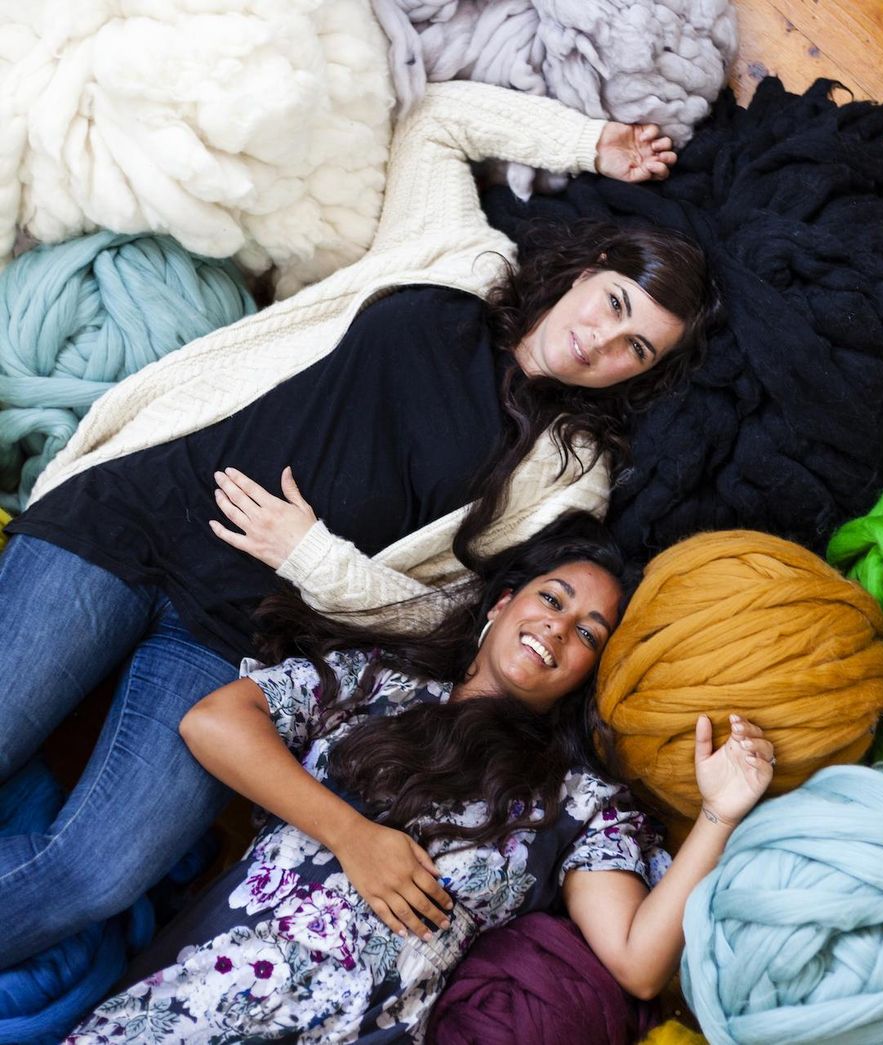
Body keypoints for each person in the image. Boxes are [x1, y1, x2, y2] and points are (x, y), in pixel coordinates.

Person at [0, 81, 718, 967]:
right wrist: (595, 141)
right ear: (586, 272)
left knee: (103, 871)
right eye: (614, 304)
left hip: (237, 633)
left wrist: (314, 558)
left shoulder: (568, 476)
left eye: (635, 349)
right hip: (140, 509)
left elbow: (453, 619)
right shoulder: (458, 255)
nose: (604, 343)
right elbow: (440, 121)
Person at [67, 517, 773, 1043]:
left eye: (590, 633)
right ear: (501, 604)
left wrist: (719, 813)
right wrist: (351, 834)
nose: (559, 630)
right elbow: (213, 723)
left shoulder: (579, 802)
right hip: (186, 1007)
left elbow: (638, 961)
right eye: (552, 599)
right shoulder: (375, 684)